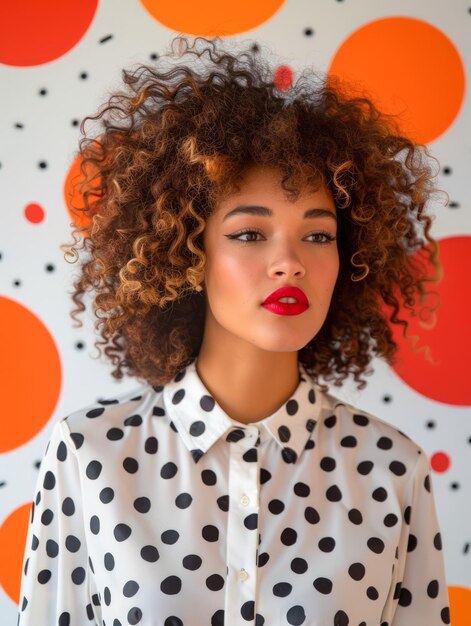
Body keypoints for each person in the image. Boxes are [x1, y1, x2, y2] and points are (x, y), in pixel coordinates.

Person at [17, 35, 450, 626]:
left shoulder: (393, 469)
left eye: (318, 235)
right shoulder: (89, 456)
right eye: (250, 233)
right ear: (189, 253)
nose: (290, 261)